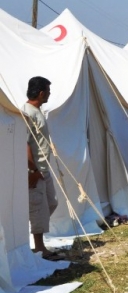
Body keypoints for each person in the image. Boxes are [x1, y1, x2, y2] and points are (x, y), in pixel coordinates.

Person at [23, 76, 61, 260]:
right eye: (48, 91)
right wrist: (32, 171)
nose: (49, 94)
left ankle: (36, 239)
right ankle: (39, 248)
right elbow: (24, 144)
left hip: (44, 169)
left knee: (51, 203)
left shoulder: (37, 111)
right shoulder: (27, 113)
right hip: (35, 170)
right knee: (38, 208)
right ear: (41, 93)